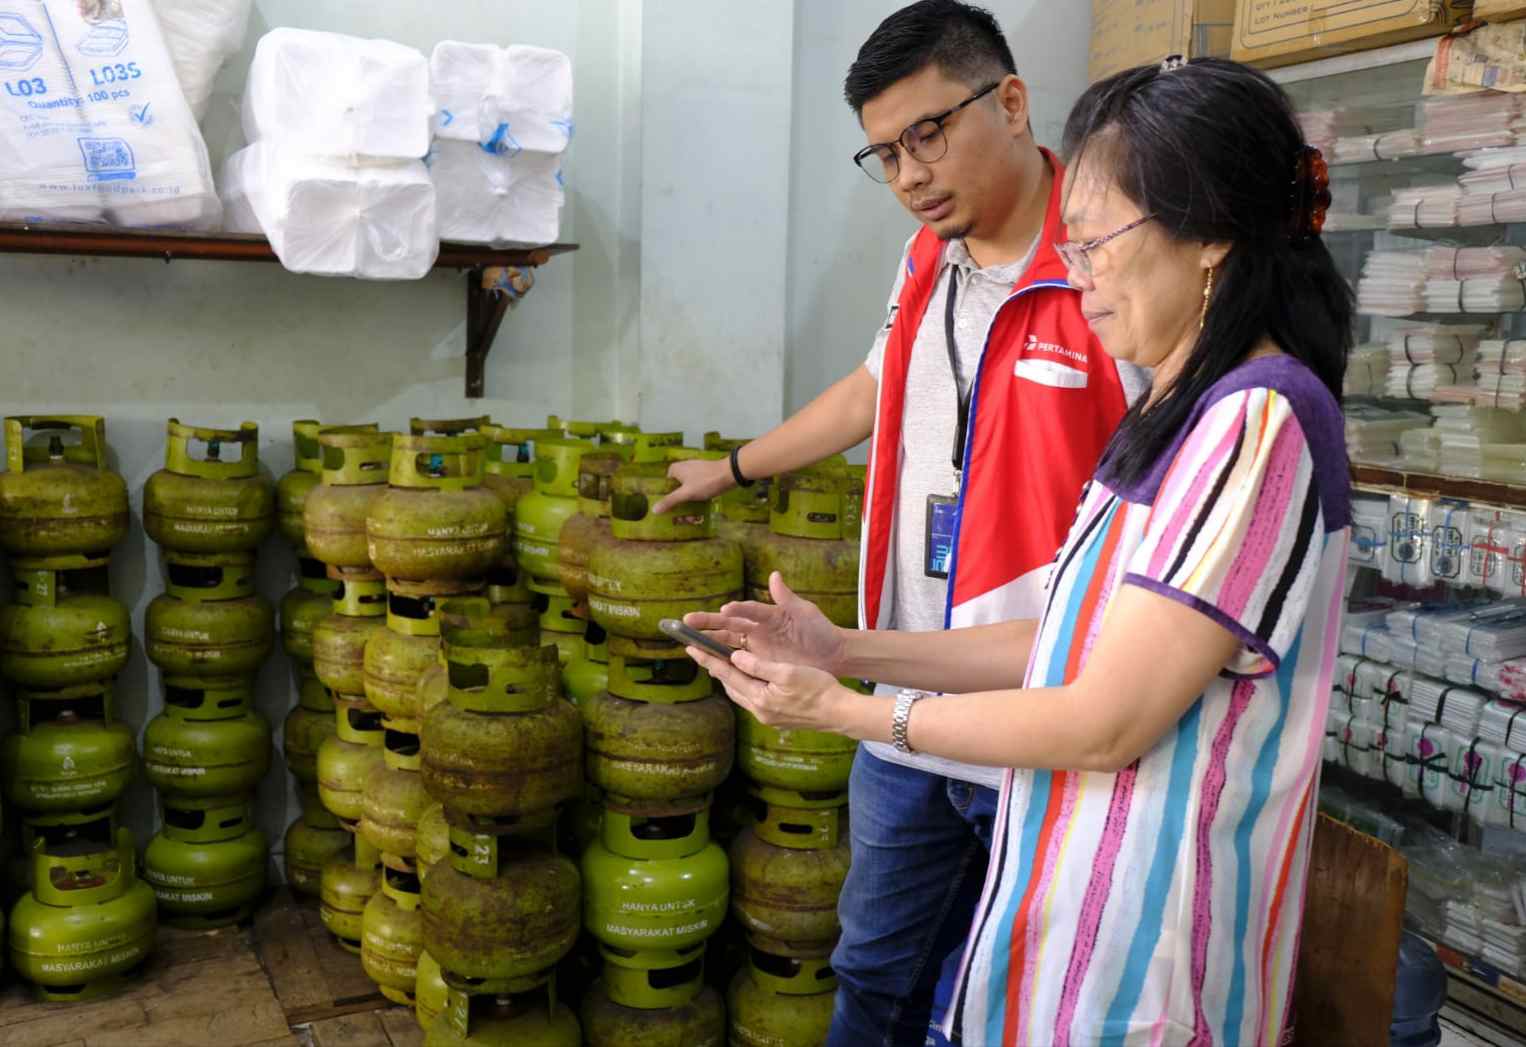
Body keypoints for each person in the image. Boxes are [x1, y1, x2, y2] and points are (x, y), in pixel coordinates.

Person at [686, 56, 1351, 1046]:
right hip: (1068, 922)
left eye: (1094, 247)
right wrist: (845, 650)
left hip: (1143, 963)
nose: (1076, 284)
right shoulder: (1181, 410)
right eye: (1069, 250)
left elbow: (1099, 722)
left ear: (1208, 234)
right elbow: (1069, 642)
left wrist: (845, 712)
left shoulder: (1257, 423)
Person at [659, 5, 1141, 1042]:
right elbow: (872, 390)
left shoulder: (1108, 270)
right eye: (884, 153)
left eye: (927, 133)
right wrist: (731, 468)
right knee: (871, 970)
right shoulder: (928, 257)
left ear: (1010, 102)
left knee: (999, 1002)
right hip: (902, 714)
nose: (909, 174)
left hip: (1039, 722)